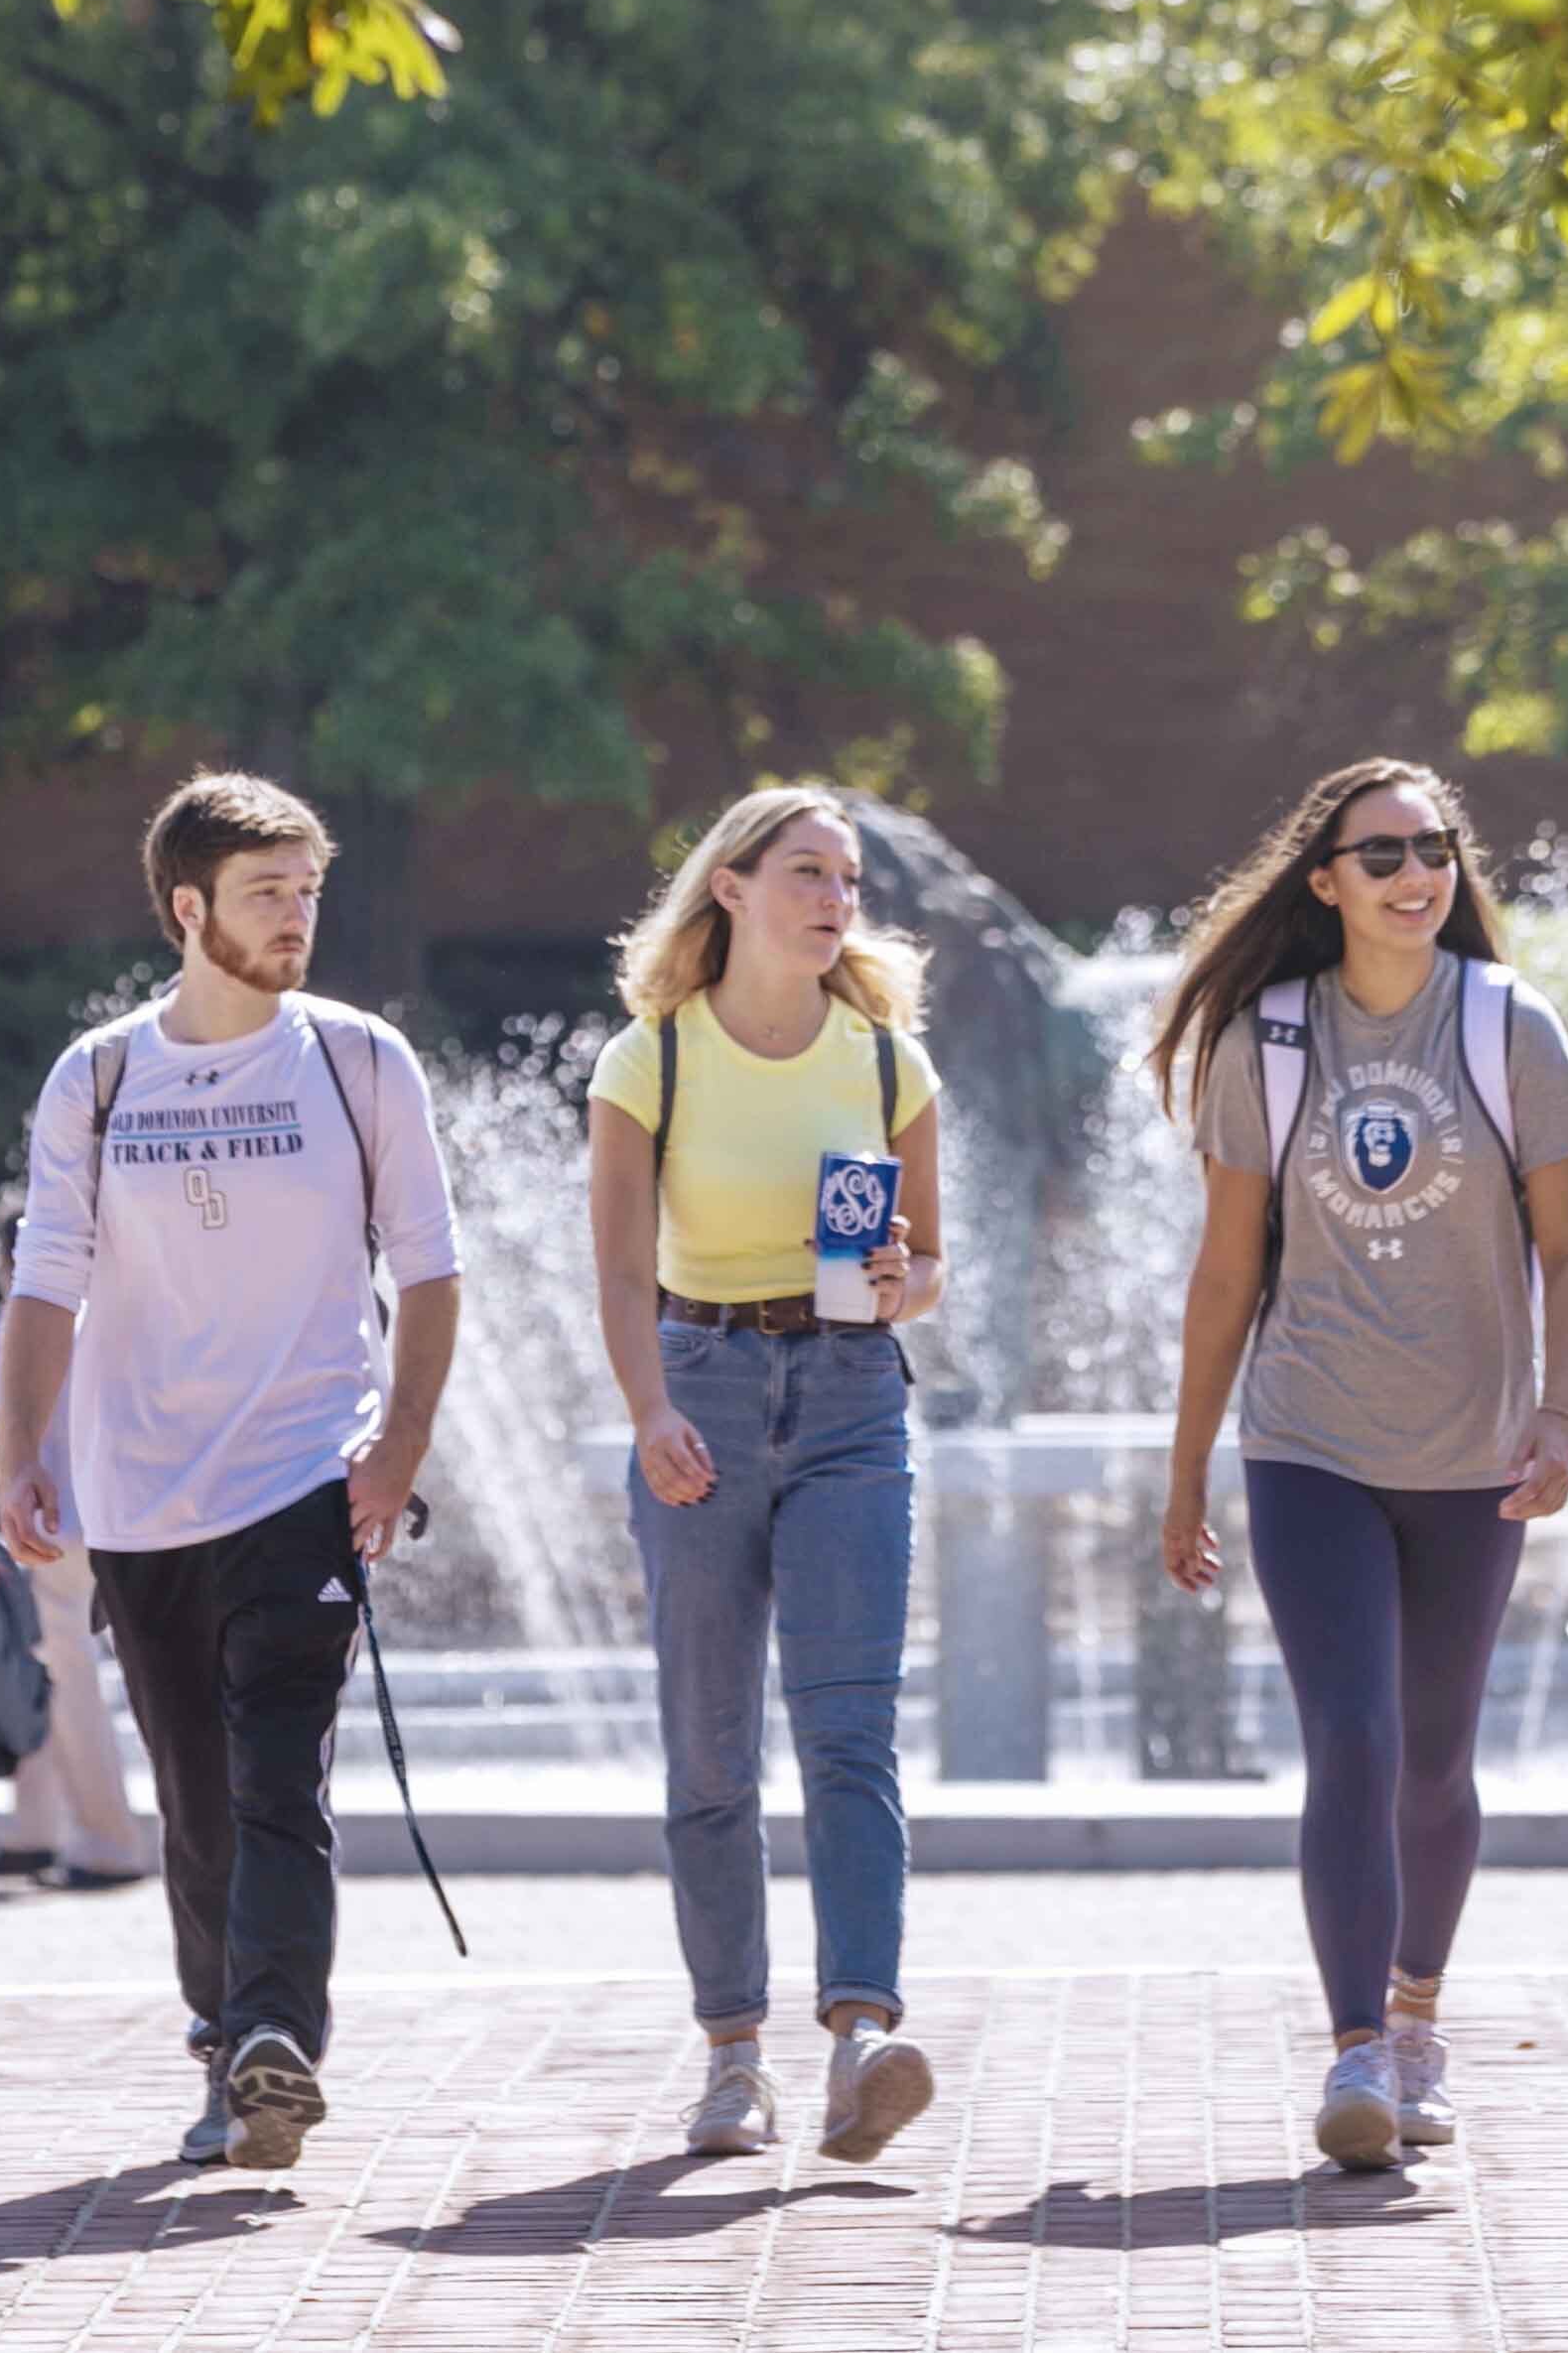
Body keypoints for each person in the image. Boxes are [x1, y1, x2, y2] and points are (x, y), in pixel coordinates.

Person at [0, 772, 460, 2174]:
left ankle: (275, 2040)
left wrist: (398, 1448)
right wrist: (26, 1455)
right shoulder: (101, 1074)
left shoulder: (360, 1059)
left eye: (309, 888)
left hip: (304, 1471)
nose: (298, 915)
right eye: (269, 892)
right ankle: (224, 2040)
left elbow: (431, 1269)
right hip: (138, 1493)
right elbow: (44, 1285)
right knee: (195, 1803)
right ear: (190, 908)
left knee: (275, 1780)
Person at [1147, 759, 1568, 2172]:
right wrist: (1187, 1470)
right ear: (1325, 878)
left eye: (1436, 847)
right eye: (1384, 851)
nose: (1418, 873)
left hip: (1472, 1449)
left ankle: (1418, 2017)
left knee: (1433, 1759)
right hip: (1309, 1439)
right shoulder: (1270, 1040)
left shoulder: (1508, 1024)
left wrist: (1561, 1416)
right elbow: (1226, 1275)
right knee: (1348, 1736)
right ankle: (1354, 2043)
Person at [587, 788, 951, 2167]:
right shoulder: (650, 1058)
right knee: (711, 1745)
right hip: (703, 1389)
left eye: (850, 878)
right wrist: (650, 1406)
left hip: (854, 1395)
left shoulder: (887, 1061)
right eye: (808, 871)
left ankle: (861, 2032)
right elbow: (620, 1268)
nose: (835, 898)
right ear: (729, 888)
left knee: (849, 1730)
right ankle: (732, 2055)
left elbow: (931, 1268)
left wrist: (894, 1281)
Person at [0, 1347, 159, 1890]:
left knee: (63, 1683)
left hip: (52, 1528)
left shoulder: (30, 1299)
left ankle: (109, 1842)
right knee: (39, 1669)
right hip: (100, 1514)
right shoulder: (93, 1296)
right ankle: (34, 1830)